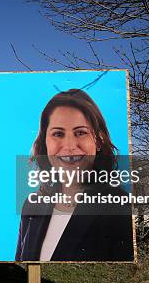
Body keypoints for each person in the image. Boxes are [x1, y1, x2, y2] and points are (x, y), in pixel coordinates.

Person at [15, 89, 134, 262]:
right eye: (58, 134)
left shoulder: (119, 207)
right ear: (44, 143)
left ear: (99, 140)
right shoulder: (32, 206)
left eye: (80, 132)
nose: (69, 146)